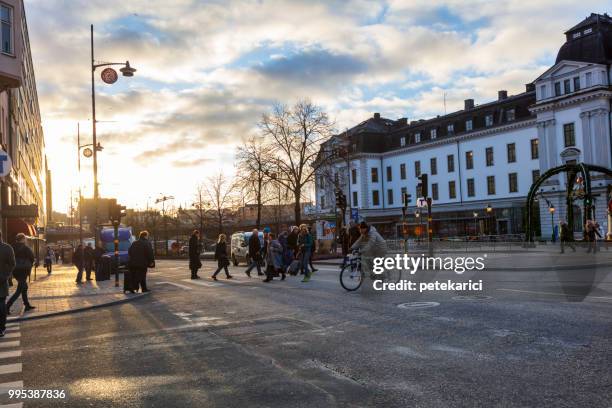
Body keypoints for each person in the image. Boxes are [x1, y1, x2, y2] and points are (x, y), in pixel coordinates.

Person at [7, 233, 36, 314]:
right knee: (19, 290)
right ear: (23, 239)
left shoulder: (12, 247)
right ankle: (7, 306)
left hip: (15, 271)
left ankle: (27, 305)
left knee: (24, 287)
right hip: (23, 271)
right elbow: (32, 257)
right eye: (24, 239)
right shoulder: (25, 248)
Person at [0, 231, 15, 337]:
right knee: (1, 304)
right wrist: (6, 275)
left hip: (1, 279)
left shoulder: (6, 248)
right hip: (1, 279)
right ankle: (1, 328)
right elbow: (12, 264)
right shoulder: (7, 248)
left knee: (1, 304)